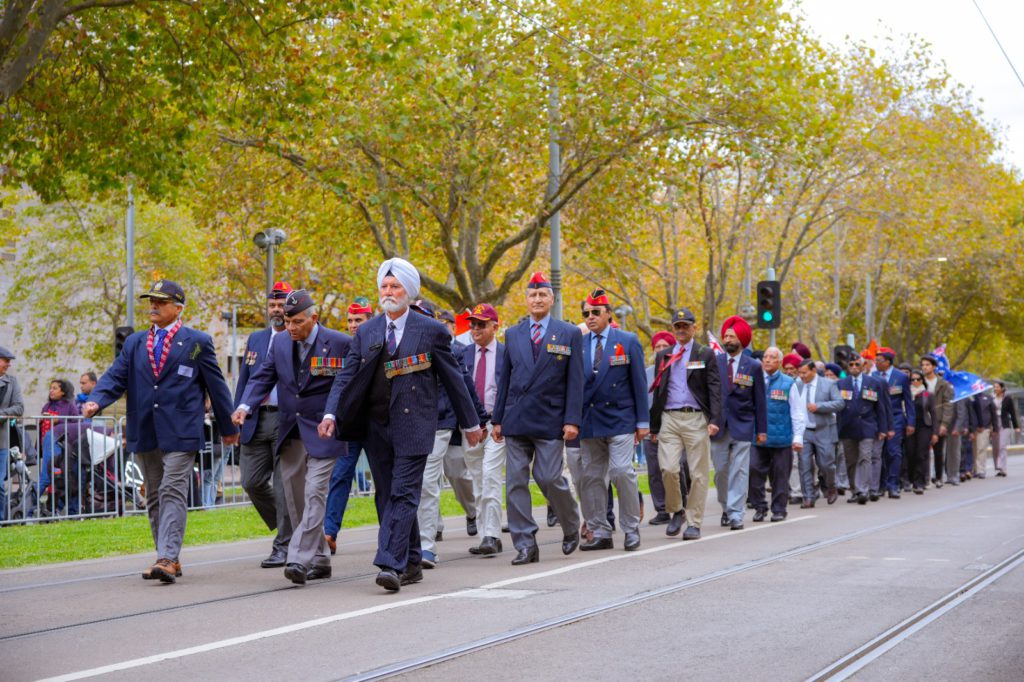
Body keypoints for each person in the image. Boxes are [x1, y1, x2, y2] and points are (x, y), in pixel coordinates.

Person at [318, 258, 483, 592]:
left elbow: (455, 380)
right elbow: (346, 376)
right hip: (375, 427)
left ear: (409, 292)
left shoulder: (433, 331)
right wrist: (330, 413)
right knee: (386, 495)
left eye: (395, 286)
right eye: (384, 286)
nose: (389, 292)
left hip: (416, 425)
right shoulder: (367, 331)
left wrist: (471, 423)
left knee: (404, 493)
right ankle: (411, 562)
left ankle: (390, 563)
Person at [83, 280, 239, 583]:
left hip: (182, 430)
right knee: (153, 495)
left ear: (178, 308)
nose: (153, 306)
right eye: (151, 300)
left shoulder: (198, 341)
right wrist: (96, 400)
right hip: (144, 428)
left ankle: (166, 558)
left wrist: (228, 427)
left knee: (172, 489)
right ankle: (168, 556)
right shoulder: (135, 343)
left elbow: (216, 386)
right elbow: (116, 375)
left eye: (161, 301)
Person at [233, 289, 352, 585]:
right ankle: (321, 559)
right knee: (296, 499)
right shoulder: (282, 342)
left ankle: (298, 557)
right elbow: (263, 376)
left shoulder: (340, 343)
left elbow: (347, 385)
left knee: (314, 494)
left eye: (298, 321)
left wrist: (334, 415)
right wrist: (245, 406)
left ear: (314, 317)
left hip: (326, 429)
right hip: (290, 429)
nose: (291, 327)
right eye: (287, 321)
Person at [491, 272, 584, 565]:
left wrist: (572, 420)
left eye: (542, 294)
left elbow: (576, 380)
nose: (537, 299)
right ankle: (525, 544)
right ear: (526, 299)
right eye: (532, 295)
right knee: (515, 481)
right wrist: (497, 419)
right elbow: (504, 378)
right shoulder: (513, 333)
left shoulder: (568, 332)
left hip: (551, 418)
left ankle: (571, 525)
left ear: (551, 299)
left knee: (548, 476)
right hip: (516, 418)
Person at [413, 302, 487, 568]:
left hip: (443, 423)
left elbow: (463, 386)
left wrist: (477, 421)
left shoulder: (452, 350)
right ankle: (419, 544)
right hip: (409, 425)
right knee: (419, 482)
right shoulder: (396, 347)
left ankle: (431, 543)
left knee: (446, 477)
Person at [577, 289, 648, 551]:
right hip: (590, 419)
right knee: (592, 477)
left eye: (596, 312)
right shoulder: (579, 343)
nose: (590, 317)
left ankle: (631, 528)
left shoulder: (627, 340)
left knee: (621, 471)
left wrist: (643, 421)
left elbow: (639, 383)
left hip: (620, 418)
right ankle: (600, 530)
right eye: (586, 314)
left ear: (608, 313)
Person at [232, 280, 294, 568]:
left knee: (283, 487)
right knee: (251, 481)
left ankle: (284, 545)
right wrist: (237, 413)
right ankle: (295, 530)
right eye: (272, 305)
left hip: (285, 419)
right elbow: (245, 379)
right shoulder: (256, 339)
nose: (277, 310)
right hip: (256, 418)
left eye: (282, 305)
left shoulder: (298, 336)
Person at [649, 307, 721, 540]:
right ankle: (676, 510)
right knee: (668, 468)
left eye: (685, 326)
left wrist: (715, 419)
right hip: (669, 417)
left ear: (693, 328)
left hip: (695, 418)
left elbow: (714, 388)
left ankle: (694, 522)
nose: (681, 330)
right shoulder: (664, 355)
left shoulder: (704, 353)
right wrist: (653, 425)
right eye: (677, 327)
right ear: (673, 329)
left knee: (698, 474)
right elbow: (659, 390)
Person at [323, 297, 375, 555]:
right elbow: (338, 383)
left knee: (385, 482)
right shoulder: (342, 345)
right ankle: (329, 532)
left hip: (377, 424)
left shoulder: (380, 341)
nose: (353, 325)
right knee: (340, 476)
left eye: (359, 320)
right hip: (350, 425)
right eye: (351, 320)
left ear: (370, 320)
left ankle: (392, 534)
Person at [460, 303, 508, 556]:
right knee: (477, 481)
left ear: (495, 327)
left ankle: (491, 535)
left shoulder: (506, 353)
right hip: (470, 427)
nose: (475, 328)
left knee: (490, 476)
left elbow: (511, 390)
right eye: (473, 324)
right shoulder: (463, 354)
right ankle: (487, 533)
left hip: (496, 424)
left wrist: (501, 420)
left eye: (481, 324)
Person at [710, 316, 766, 530]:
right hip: (718, 425)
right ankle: (726, 507)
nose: (728, 339)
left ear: (742, 339)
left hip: (743, 425)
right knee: (721, 470)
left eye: (732, 336)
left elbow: (760, 400)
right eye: (725, 336)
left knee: (740, 471)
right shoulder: (715, 362)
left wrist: (762, 430)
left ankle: (736, 513)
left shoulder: (753, 366)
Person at [749, 348, 806, 522]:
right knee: (754, 471)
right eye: (765, 357)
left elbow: (797, 412)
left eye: (772, 357)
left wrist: (798, 437)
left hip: (781, 439)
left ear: (779, 362)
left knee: (780, 476)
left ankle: (779, 509)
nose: (767, 360)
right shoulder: (753, 380)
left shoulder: (789, 383)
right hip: (758, 437)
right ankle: (759, 506)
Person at [644, 330, 685, 525]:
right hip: (650, 430)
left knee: (675, 468)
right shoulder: (646, 372)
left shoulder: (678, 368)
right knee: (654, 471)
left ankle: (679, 505)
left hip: (674, 427)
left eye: (664, 346)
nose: (660, 350)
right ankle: (661, 509)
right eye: (657, 347)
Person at [836, 354, 888, 505]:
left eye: (857, 364)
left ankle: (863, 490)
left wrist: (883, 428)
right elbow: (837, 408)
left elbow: (880, 408)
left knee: (865, 457)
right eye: (851, 364)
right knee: (851, 460)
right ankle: (854, 490)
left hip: (867, 426)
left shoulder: (873, 382)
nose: (853, 367)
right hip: (847, 427)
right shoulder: (841, 383)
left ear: (863, 365)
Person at [795, 359, 844, 505]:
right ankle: (808, 496)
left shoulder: (828, 384)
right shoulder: (797, 385)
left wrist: (819, 406)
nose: (802, 376)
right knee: (804, 464)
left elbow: (840, 403)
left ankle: (831, 487)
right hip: (804, 431)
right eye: (800, 373)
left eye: (804, 373)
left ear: (813, 371)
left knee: (826, 464)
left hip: (824, 430)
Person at [872, 349, 915, 498]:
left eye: (879, 360)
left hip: (896, 418)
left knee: (894, 452)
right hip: (878, 420)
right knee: (879, 453)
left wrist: (911, 422)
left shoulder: (901, 377)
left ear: (888, 362)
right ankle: (880, 485)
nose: (876, 363)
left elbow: (908, 401)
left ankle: (893, 484)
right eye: (875, 360)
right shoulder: (873, 375)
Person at [36, 379, 81, 513]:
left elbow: (76, 423)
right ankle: (33, 505)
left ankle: (63, 509)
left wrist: (58, 420)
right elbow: (41, 429)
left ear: (63, 392)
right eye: (50, 388)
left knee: (62, 477)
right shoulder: (47, 406)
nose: (51, 390)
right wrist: (36, 448)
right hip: (48, 444)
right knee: (48, 477)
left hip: (64, 446)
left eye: (55, 388)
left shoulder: (70, 406)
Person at [0, 346, 25, 521]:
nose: (8, 365)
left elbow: (19, 407)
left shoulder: (12, 382)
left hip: (2, 440)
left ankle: (1, 520)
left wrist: (1, 414)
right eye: (6, 361)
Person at [920, 354, 953, 484]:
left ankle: (938, 477)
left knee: (938, 451)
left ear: (934, 367)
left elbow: (948, 404)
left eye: (927, 365)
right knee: (922, 451)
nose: (924, 367)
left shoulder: (943, 384)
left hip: (937, 421)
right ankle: (924, 477)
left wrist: (944, 424)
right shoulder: (918, 381)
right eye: (923, 365)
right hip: (922, 420)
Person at [905, 370, 936, 493]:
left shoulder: (927, 395)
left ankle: (920, 482)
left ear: (922, 380)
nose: (915, 382)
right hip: (909, 427)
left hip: (924, 427)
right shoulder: (906, 393)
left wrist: (935, 432)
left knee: (921, 454)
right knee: (910, 453)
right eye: (913, 380)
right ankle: (910, 480)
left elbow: (933, 414)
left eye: (918, 379)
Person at [992, 381, 1019, 477]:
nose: (995, 389)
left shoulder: (1008, 399)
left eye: (997, 387)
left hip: (1005, 424)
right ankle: (998, 467)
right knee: (995, 447)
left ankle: (1003, 468)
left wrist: (1016, 427)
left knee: (1002, 446)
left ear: (1002, 388)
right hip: (994, 425)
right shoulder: (992, 399)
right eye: (994, 387)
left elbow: (1012, 413)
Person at [971, 389, 999, 479]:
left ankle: (981, 470)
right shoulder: (970, 398)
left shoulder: (988, 398)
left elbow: (993, 414)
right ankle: (973, 469)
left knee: (981, 448)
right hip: (972, 428)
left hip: (985, 428)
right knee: (973, 450)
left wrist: (995, 428)